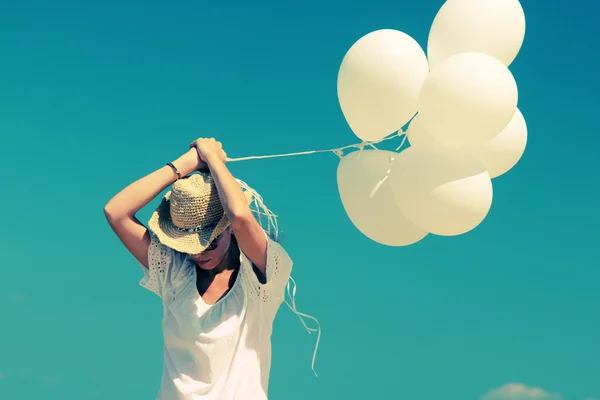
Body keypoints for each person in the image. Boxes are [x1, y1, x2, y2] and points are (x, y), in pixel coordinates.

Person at [104, 137, 296, 400]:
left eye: (209, 241)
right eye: (187, 244)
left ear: (227, 228)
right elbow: (115, 212)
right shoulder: (173, 272)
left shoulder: (262, 276)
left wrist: (213, 159)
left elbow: (240, 216)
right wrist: (189, 162)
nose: (197, 252)